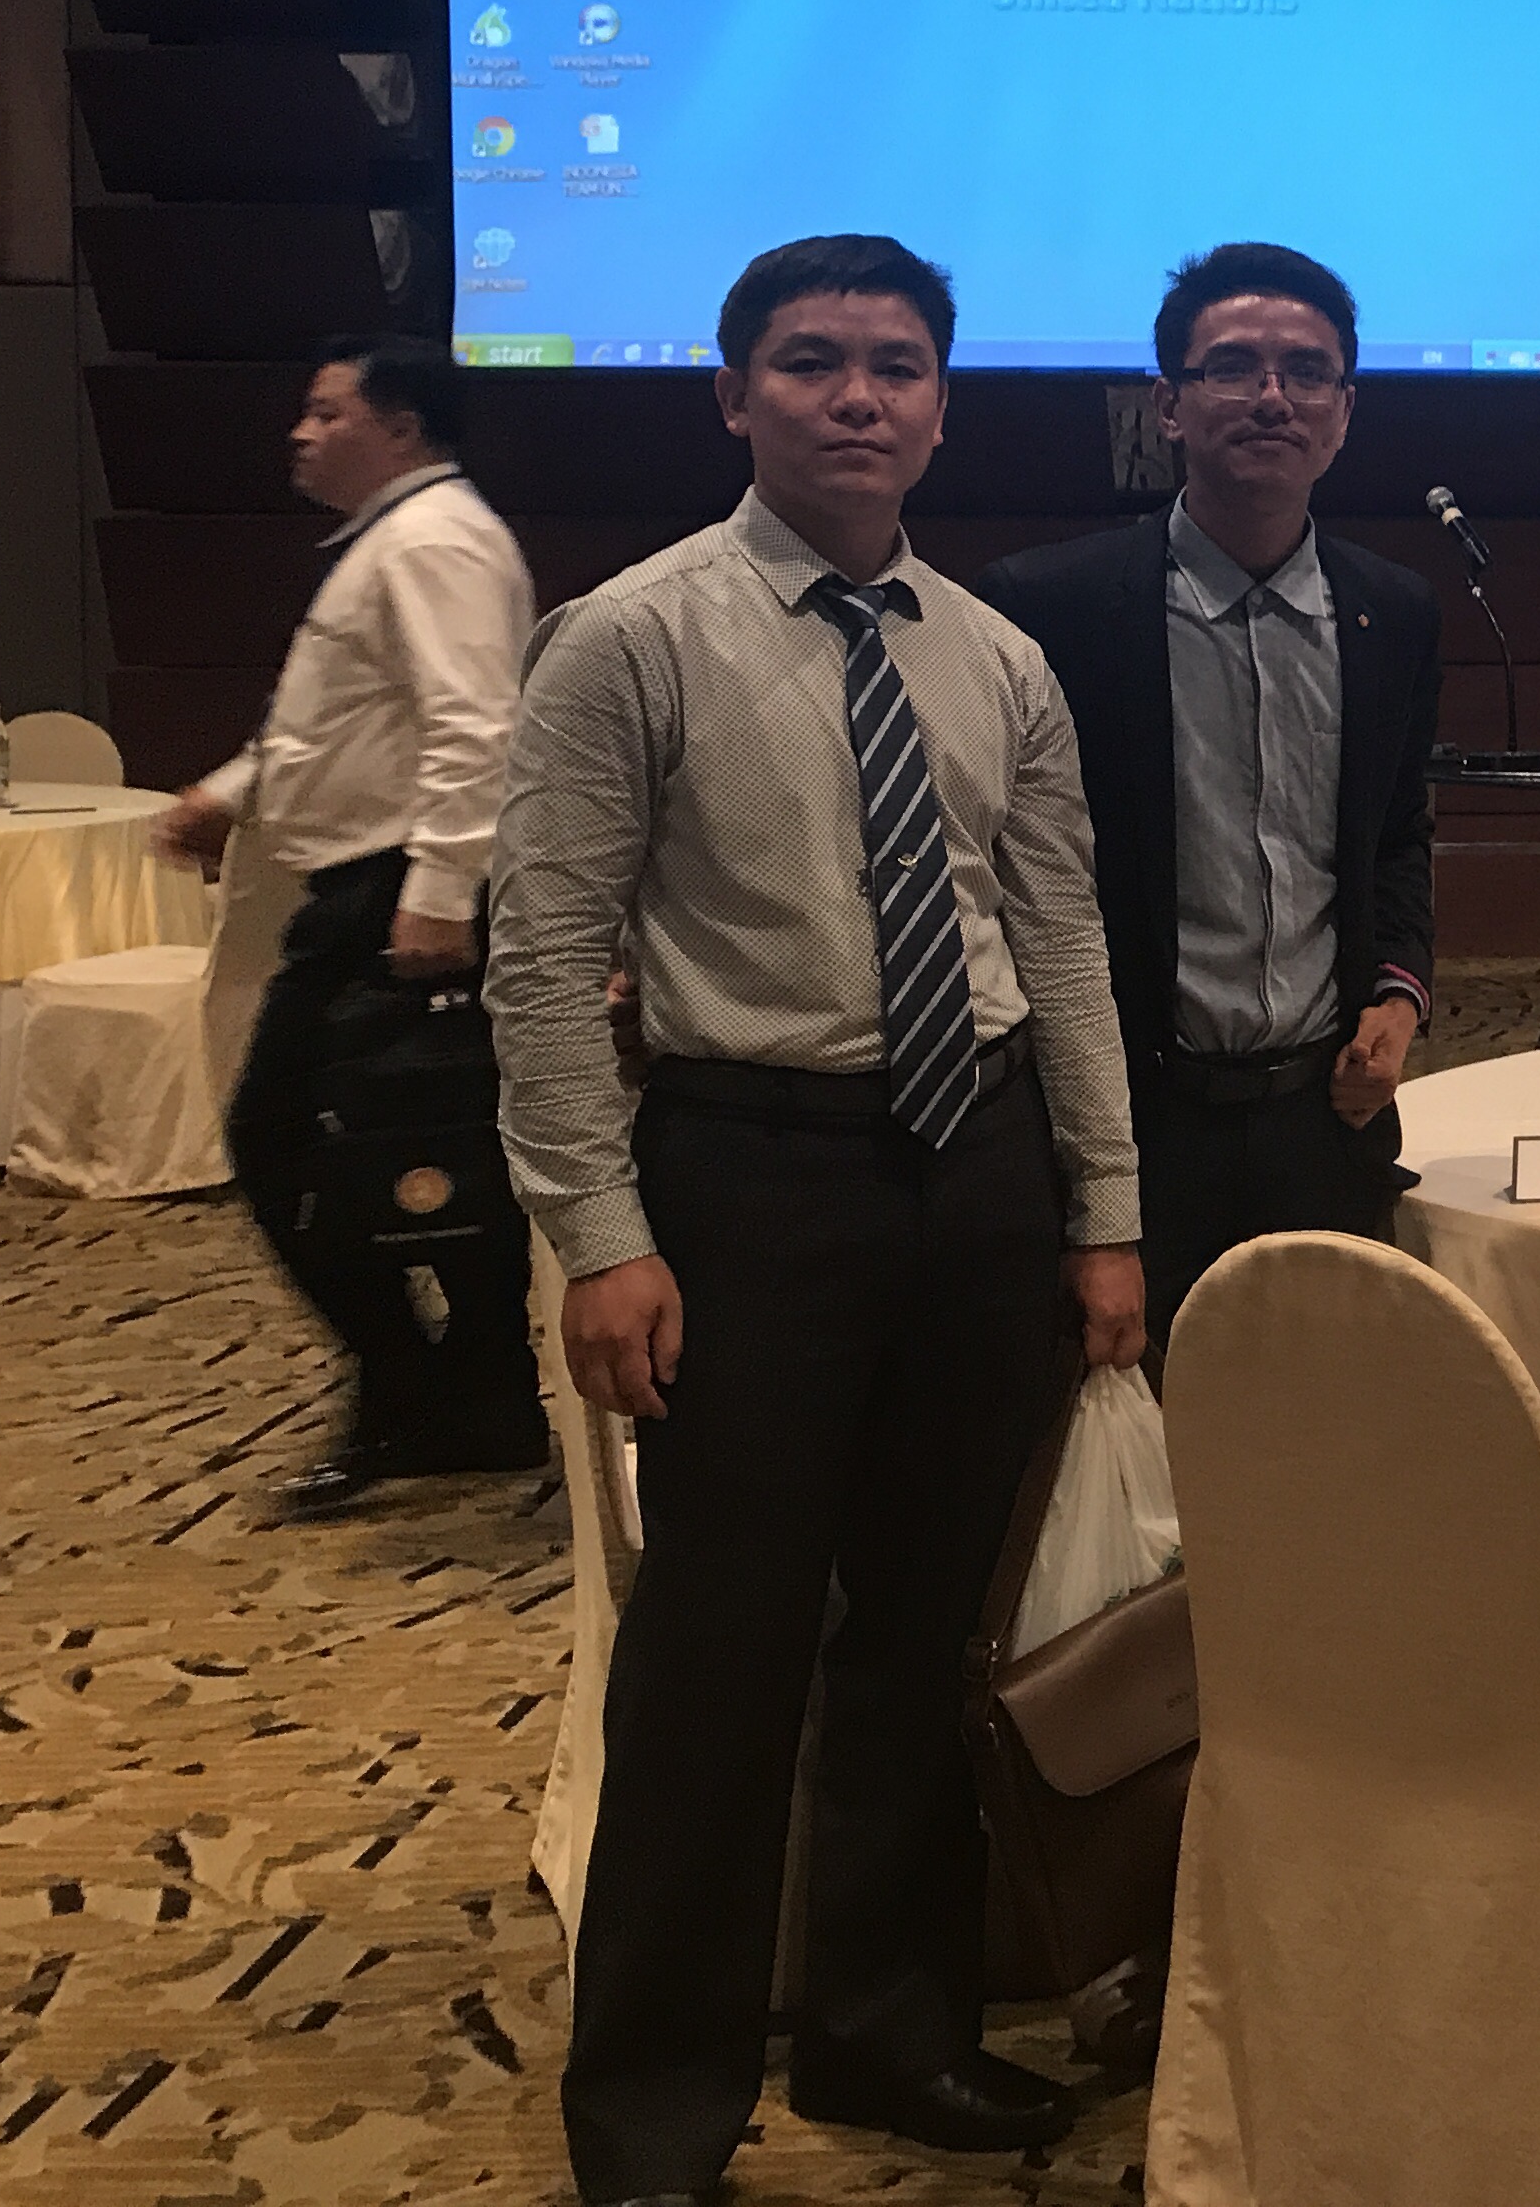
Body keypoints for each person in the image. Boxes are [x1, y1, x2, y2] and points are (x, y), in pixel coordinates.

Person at [485, 235, 1145, 2207]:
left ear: (943, 404)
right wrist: (600, 1233)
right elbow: (544, 963)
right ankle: (654, 2111)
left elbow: (1062, 944)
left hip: (978, 1174)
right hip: (749, 1177)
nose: (857, 395)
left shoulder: (996, 655)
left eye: (895, 363)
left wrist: (1103, 1207)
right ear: (733, 395)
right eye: (810, 360)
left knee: (923, 1641)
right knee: (722, 1651)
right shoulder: (628, 637)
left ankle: (886, 2026)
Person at [971, 243, 1440, 1350]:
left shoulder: (1394, 612)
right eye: (1233, 367)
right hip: (1135, 1121)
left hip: (1323, 1122)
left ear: (1344, 412)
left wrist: (1400, 999)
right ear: (1169, 407)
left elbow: (1396, 837)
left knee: (1324, 1417)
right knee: (1135, 1421)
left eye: (1308, 371)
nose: (1274, 397)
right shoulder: (1051, 607)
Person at [154, 336, 541, 1513]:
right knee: (427, 1141)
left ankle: (415, 1390)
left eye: (329, 413)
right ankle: (478, 1398)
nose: (302, 433)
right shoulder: (403, 537)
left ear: (403, 426)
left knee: (289, 1144)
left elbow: (477, 725)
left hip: (393, 897)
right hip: (376, 887)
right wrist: (234, 792)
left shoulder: (432, 541)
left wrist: (438, 895)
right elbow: (343, 724)